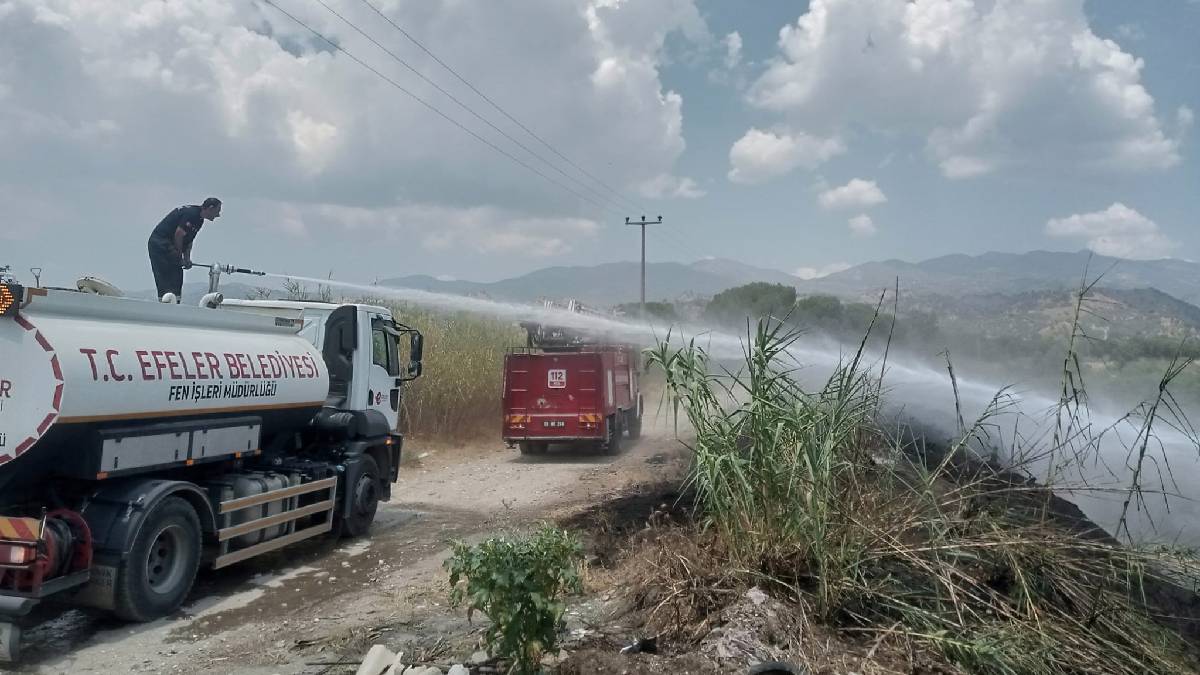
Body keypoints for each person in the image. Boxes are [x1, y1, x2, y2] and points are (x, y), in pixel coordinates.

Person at [147, 198, 222, 302]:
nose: (218, 215)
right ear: (210, 208)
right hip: (160, 244)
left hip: (171, 245)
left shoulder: (199, 220)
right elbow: (179, 234)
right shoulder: (192, 214)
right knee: (165, 277)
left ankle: (175, 300)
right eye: (217, 211)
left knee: (177, 276)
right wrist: (179, 255)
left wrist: (187, 259)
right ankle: (165, 301)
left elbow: (189, 240)